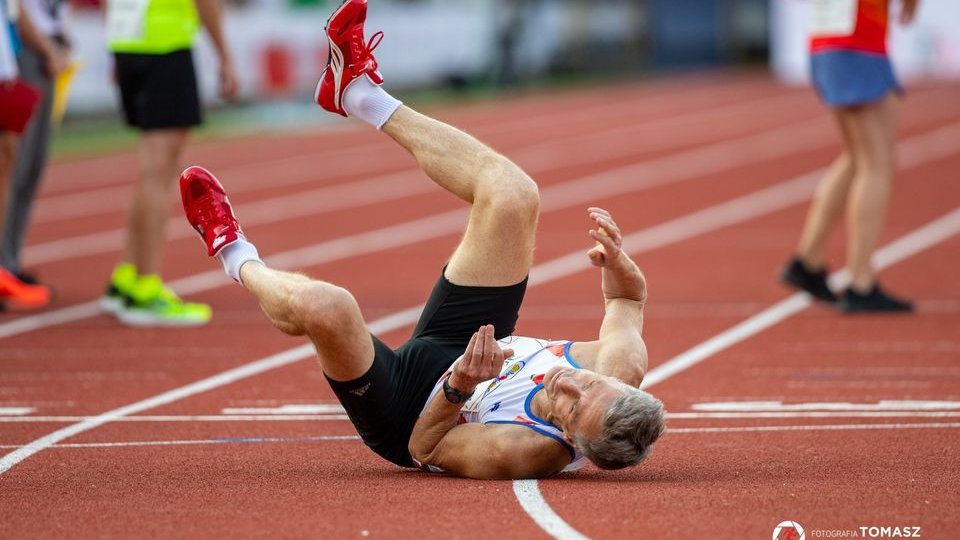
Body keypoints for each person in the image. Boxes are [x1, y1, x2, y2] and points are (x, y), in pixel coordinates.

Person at [179, 0, 665, 479]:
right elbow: (627, 298)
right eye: (588, 382)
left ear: (571, 440)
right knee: (513, 194)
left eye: (570, 405)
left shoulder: (520, 450)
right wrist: (616, 263)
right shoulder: (620, 365)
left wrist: (459, 385)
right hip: (473, 343)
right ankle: (358, 93)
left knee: (328, 309)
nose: (569, 383)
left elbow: (423, 445)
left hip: (412, 409)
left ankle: (232, 250)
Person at [99, 0, 238, 326]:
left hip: (129, 41)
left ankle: (129, 277)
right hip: (165, 44)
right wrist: (225, 56)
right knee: (158, 171)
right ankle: (146, 287)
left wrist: (116, 47)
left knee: (152, 167)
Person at [780, 0, 917, 313]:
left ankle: (809, 260)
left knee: (859, 156)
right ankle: (860, 281)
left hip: (828, 40)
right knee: (876, 163)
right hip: (857, 42)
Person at [2, 0, 69, 303]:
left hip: (42, 48)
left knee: (31, 164)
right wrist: (44, 46)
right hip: (25, 49)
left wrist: (59, 43)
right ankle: (4, 263)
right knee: (14, 163)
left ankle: (10, 261)